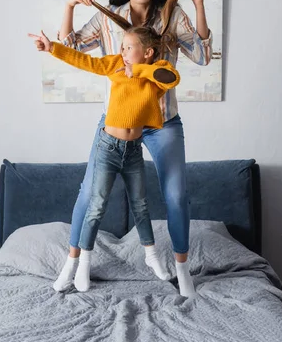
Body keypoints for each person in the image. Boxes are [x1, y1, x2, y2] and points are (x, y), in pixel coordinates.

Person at [57, 0, 212, 297]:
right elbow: (70, 45)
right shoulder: (109, 18)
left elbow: (202, 56)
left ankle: (182, 269)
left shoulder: (172, 17)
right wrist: (69, 7)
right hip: (117, 123)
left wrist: (200, 4)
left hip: (163, 123)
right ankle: (71, 262)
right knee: (88, 193)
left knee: (177, 195)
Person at [30, 23, 180, 291]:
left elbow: (172, 79)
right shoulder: (114, 65)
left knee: (141, 206)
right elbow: (84, 60)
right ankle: (83, 264)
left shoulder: (156, 74)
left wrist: (141, 70)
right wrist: (53, 47)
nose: (122, 51)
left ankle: (152, 257)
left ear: (148, 52)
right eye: (121, 46)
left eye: (128, 47)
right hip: (107, 146)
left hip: (133, 150)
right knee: (96, 205)